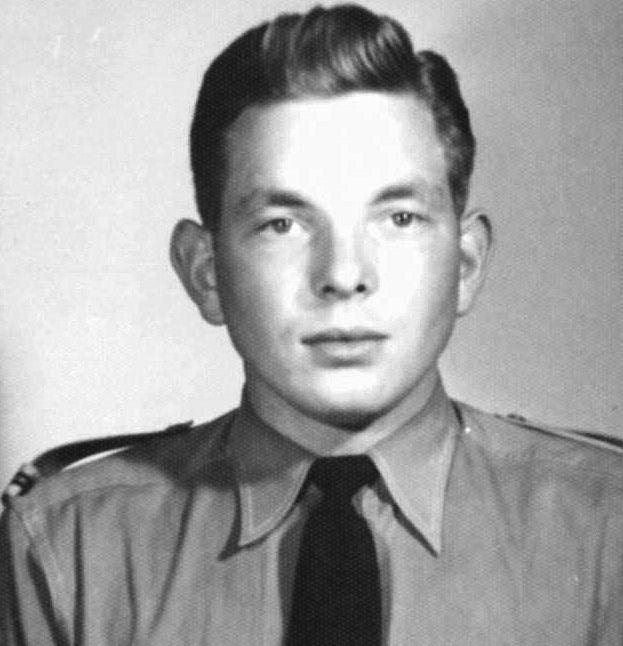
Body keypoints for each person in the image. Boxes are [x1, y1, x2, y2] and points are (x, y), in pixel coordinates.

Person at [1, 4, 622, 645]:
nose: (344, 276)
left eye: (399, 218)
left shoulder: (609, 530)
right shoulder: (66, 549)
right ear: (206, 273)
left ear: (465, 265)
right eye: (284, 225)